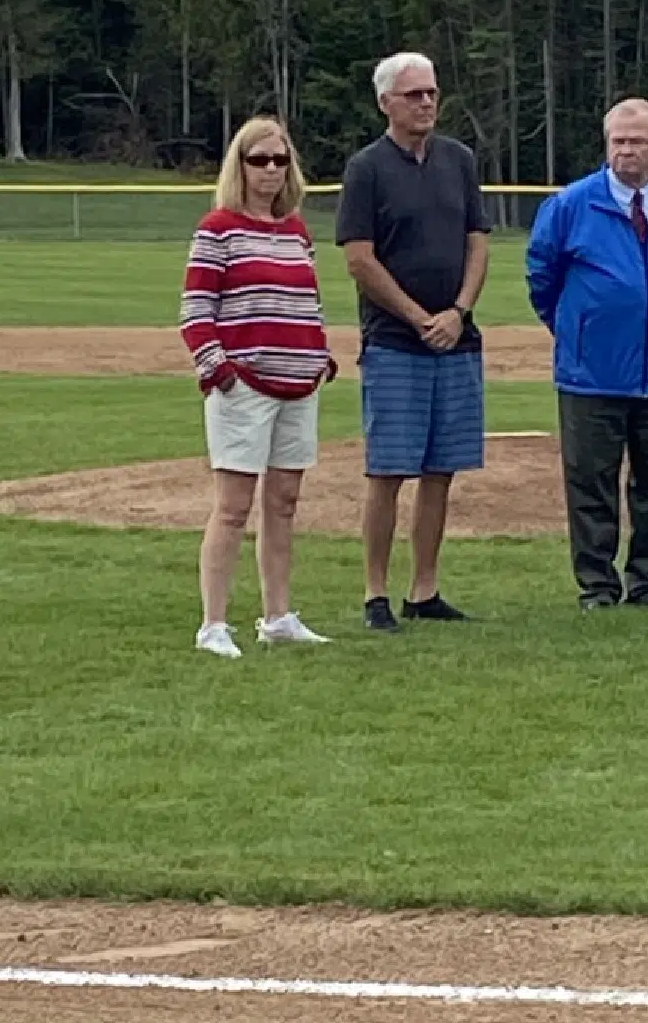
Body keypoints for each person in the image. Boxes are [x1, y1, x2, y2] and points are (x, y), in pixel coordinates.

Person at [524, 97, 648, 612]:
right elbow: (542, 277)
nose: (626, 151)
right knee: (591, 484)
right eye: (617, 141)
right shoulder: (571, 205)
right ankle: (598, 587)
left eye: (637, 141)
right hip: (591, 373)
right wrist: (574, 327)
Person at [334, 51, 491, 632]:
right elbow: (358, 258)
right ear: (386, 104)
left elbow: (478, 241)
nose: (426, 103)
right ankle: (375, 593)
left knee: (441, 468)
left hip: (457, 340)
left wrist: (458, 311)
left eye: (431, 92)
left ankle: (424, 588)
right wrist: (419, 316)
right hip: (395, 343)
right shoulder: (367, 169)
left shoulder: (458, 160)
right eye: (413, 95)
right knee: (389, 470)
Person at [179, 116, 337, 658]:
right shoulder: (217, 228)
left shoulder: (296, 230)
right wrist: (217, 368)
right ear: (239, 166)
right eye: (259, 159)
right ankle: (213, 623)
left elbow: (309, 302)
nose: (271, 170)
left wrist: (320, 353)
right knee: (232, 506)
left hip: (300, 381)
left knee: (285, 501)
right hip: (244, 384)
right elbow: (196, 311)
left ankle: (277, 615)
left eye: (280, 160)